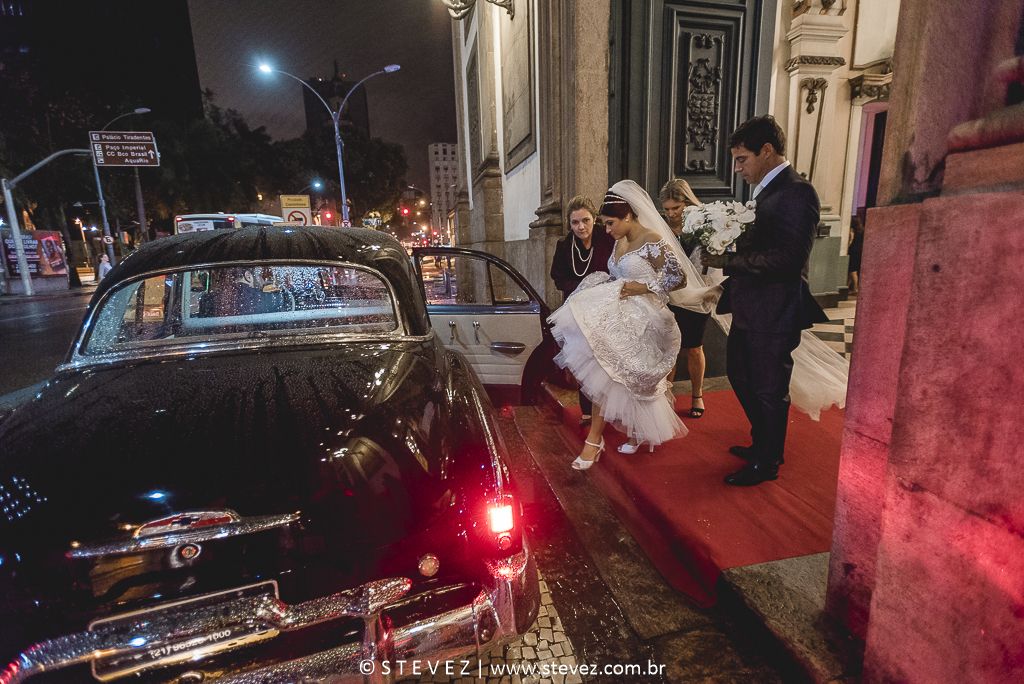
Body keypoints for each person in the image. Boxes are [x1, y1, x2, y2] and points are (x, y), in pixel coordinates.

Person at [548, 180, 720, 469]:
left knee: (620, 377)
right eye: (603, 224)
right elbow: (619, 277)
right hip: (622, 318)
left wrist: (641, 288)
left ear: (627, 215)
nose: (607, 229)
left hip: (646, 320)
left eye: (610, 222)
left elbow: (676, 278)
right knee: (613, 375)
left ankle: (595, 442)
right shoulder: (619, 240)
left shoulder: (651, 240)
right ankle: (633, 434)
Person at [702, 115, 829, 487]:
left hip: (775, 311)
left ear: (767, 151)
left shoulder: (797, 192)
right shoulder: (765, 191)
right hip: (750, 307)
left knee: (769, 389)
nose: (738, 168)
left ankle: (767, 461)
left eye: (742, 159)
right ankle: (763, 443)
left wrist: (727, 261)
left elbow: (790, 258)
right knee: (742, 378)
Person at [550, 195, 616, 425]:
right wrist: (581, 289)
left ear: (594, 218)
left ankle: (610, 408)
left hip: (606, 307)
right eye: (575, 222)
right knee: (584, 359)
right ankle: (587, 410)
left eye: (585, 220)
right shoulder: (564, 245)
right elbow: (558, 277)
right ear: (569, 223)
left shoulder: (607, 239)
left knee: (606, 357)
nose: (581, 227)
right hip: (577, 308)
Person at [660, 178, 717, 419]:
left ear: (688, 203)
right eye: (667, 209)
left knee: (694, 348)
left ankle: (697, 395)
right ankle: (665, 397)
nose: (671, 214)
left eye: (676, 208)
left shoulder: (702, 227)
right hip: (669, 297)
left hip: (696, 296)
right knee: (669, 350)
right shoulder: (661, 228)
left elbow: (713, 261)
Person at [847, 214, 864, 296]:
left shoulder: (852, 230)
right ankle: (849, 286)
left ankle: (854, 288)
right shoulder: (861, 230)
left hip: (853, 250)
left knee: (852, 270)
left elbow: (850, 241)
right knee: (853, 270)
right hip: (859, 250)